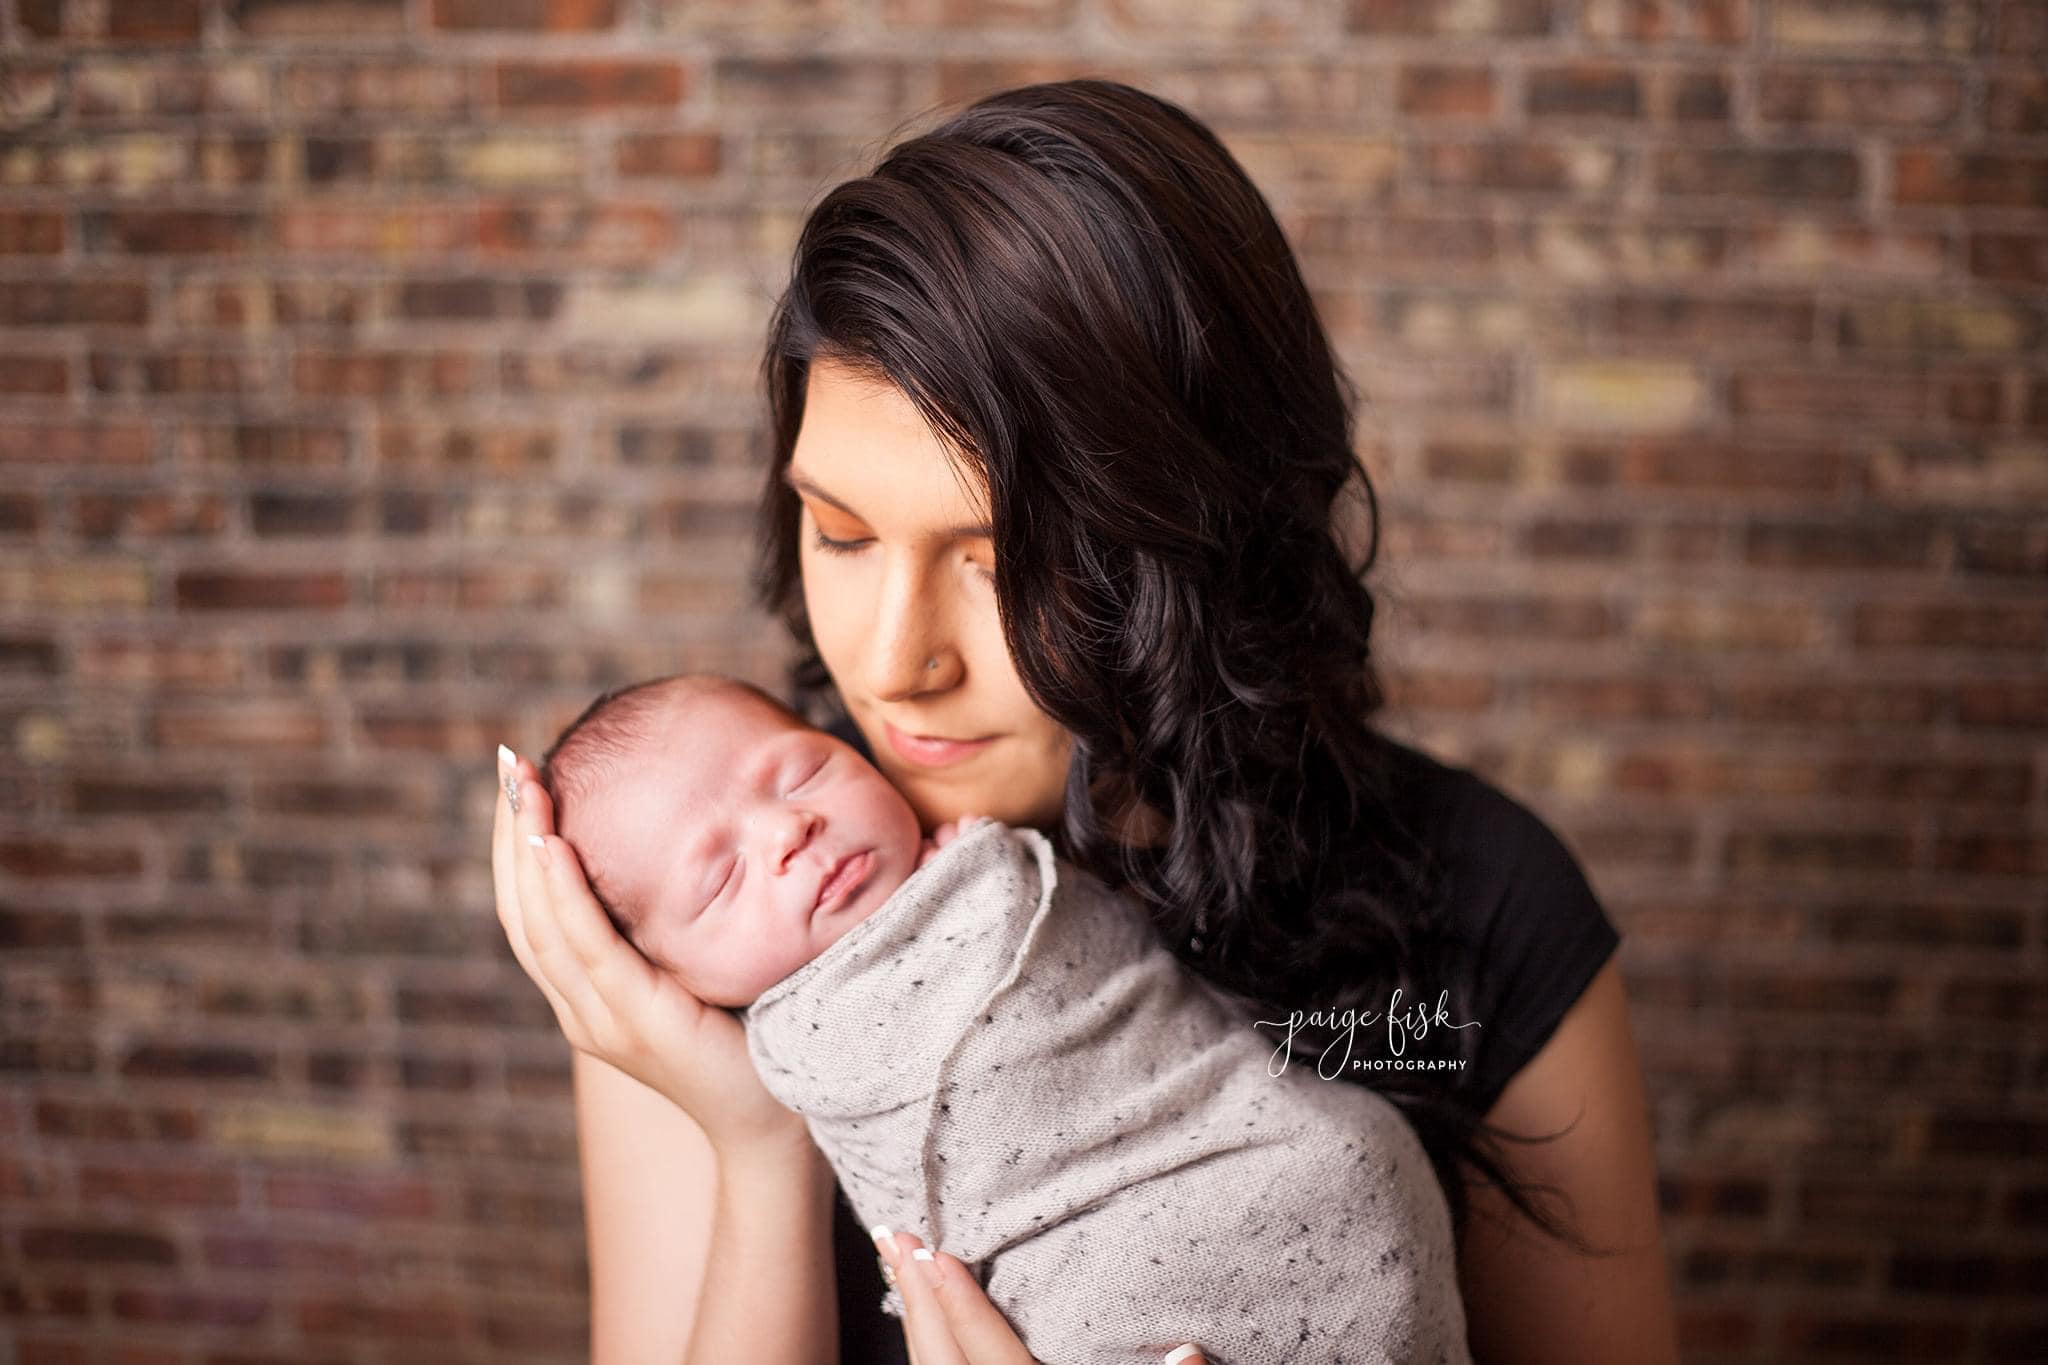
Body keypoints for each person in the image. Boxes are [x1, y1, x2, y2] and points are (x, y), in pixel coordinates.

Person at [489, 78, 1680, 1364]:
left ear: (1200, 539)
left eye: (1001, 563)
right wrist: (759, 1139)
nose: (893, 664)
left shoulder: (1480, 910)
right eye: (838, 531)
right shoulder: (717, 910)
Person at [529, 671, 1472, 1363]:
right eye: (723, 875)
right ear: (677, 976)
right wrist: (758, 1127)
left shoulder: (994, 860)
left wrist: (975, 878)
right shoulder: (693, 1055)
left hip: (1298, 1149)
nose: (789, 832)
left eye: (803, 773)